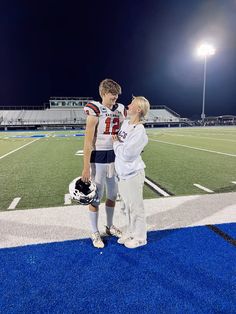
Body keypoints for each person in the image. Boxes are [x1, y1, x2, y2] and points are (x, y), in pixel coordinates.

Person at [82, 79, 127, 248]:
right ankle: (94, 231)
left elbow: (124, 132)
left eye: (116, 96)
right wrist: (86, 167)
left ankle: (109, 226)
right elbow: (87, 142)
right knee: (96, 196)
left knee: (113, 194)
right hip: (98, 156)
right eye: (111, 96)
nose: (115, 99)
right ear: (103, 94)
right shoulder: (95, 110)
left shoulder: (120, 110)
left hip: (114, 156)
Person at [112, 96, 150, 249]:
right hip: (123, 174)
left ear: (138, 109)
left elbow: (127, 155)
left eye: (131, 104)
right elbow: (123, 149)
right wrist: (120, 146)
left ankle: (140, 238)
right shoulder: (126, 123)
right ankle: (131, 231)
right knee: (126, 207)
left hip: (133, 174)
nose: (128, 105)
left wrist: (116, 143)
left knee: (136, 208)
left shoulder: (139, 130)